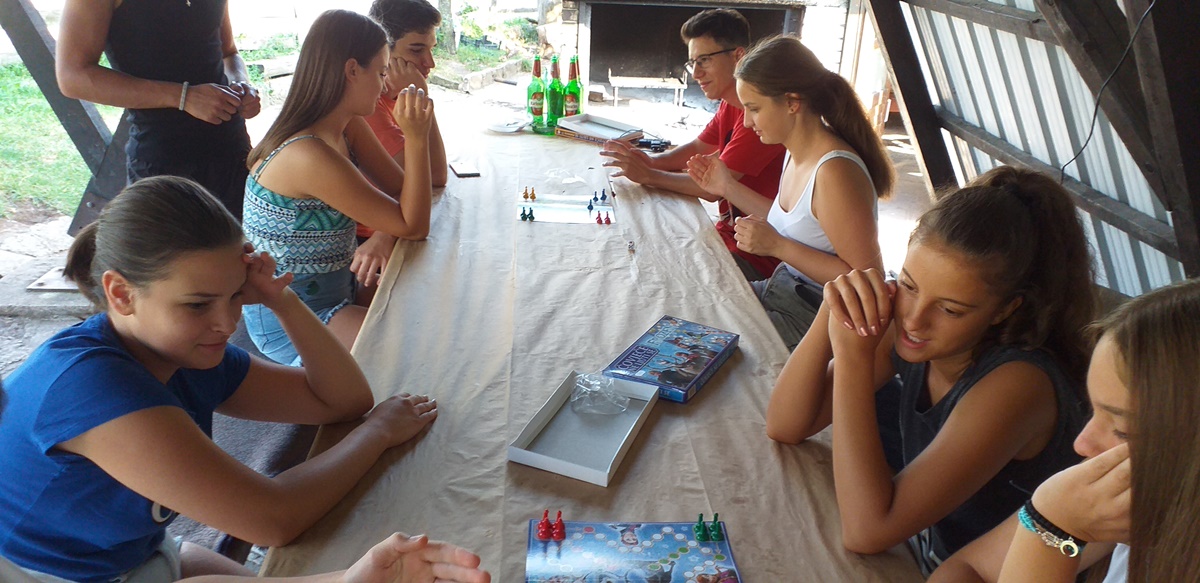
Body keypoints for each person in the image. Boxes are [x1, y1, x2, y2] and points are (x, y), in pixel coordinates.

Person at [0, 176, 440, 580]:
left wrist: (282, 300)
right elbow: (272, 519)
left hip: (133, 557)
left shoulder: (179, 352)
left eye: (235, 296)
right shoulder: (94, 390)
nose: (227, 323)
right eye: (197, 304)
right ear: (121, 293)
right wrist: (376, 433)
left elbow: (341, 401)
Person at [765, 166, 1096, 574]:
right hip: (922, 556)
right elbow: (785, 424)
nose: (914, 319)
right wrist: (832, 315)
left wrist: (853, 359)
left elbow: (867, 531)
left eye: (950, 309)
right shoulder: (916, 330)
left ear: (1006, 309)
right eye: (908, 285)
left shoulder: (1018, 385)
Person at [929, 279, 1200, 583]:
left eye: (1123, 431)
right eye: (1092, 411)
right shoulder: (1136, 505)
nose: (1082, 444)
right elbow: (970, 567)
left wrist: (1050, 533)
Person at [242, 10, 434, 365]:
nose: (385, 85)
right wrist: (417, 137)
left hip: (339, 288)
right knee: (416, 348)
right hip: (292, 314)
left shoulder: (347, 125)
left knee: (431, 303)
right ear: (352, 71)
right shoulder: (307, 154)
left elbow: (402, 189)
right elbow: (414, 224)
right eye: (381, 73)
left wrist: (384, 234)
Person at [687, 36, 894, 349]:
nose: (747, 122)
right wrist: (726, 186)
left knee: (704, 346)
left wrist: (777, 245)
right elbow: (797, 221)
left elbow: (866, 279)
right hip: (785, 288)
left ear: (792, 103)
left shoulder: (835, 172)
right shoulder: (795, 150)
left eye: (754, 109)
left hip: (819, 313)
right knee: (692, 301)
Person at [599, 9, 786, 282]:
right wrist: (651, 161)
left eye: (705, 60)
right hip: (729, 234)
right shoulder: (730, 104)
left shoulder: (758, 120)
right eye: (692, 63)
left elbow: (710, 189)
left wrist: (649, 175)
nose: (696, 73)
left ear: (738, 56)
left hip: (757, 255)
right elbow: (699, 145)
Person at [57, 0, 260, 221]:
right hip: (163, 160)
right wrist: (183, 96)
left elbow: (228, 52)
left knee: (244, 241)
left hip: (233, 150)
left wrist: (241, 84)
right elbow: (72, 76)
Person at [356, 0, 451, 303]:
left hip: (393, 226)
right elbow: (436, 176)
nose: (429, 63)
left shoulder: (394, 96)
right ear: (383, 50)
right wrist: (421, 96)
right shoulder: (368, 106)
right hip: (368, 242)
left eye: (431, 49)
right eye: (416, 50)